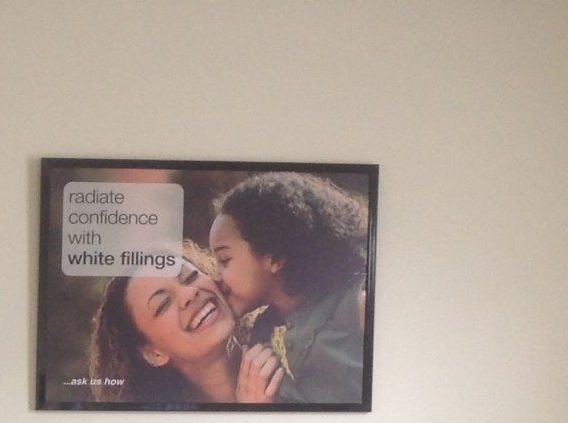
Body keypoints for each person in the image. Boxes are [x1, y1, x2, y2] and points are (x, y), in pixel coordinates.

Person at [207, 171, 370, 405]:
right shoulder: (261, 333)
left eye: (224, 260)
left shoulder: (357, 307)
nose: (215, 278)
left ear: (273, 256)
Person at [88, 244, 283, 405]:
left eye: (190, 277)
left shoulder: (287, 339)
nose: (189, 293)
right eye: (163, 304)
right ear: (153, 353)